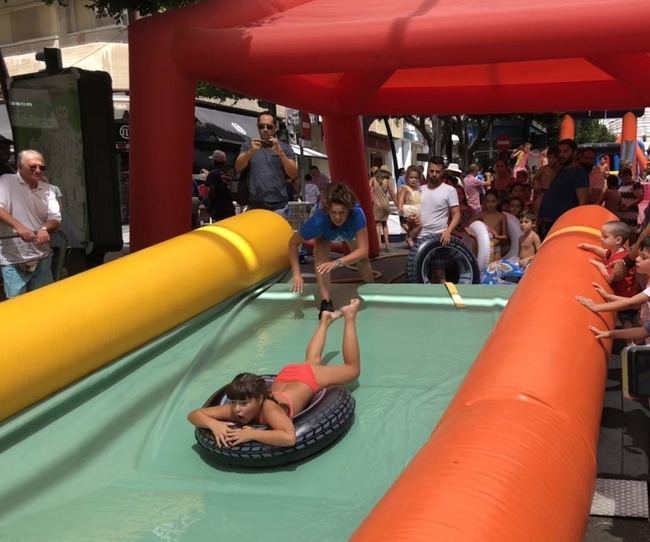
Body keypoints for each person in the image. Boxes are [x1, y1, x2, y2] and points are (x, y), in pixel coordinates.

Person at [187, 298, 361, 448]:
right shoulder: (236, 409)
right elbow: (194, 414)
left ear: (260, 399)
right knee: (311, 361)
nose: (238, 409)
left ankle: (350, 316)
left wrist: (253, 435)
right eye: (235, 402)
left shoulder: (270, 410)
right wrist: (214, 425)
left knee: (352, 370)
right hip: (287, 376)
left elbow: (289, 437)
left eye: (244, 403)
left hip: (307, 378)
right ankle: (324, 320)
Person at [288, 183, 373, 317]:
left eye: (341, 213)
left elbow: (363, 250)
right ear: (328, 211)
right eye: (334, 213)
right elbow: (292, 243)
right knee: (320, 257)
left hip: (348, 232)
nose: (338, 217)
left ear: (348, 211)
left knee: (362, 259)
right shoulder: (318, 221)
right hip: (325, 234)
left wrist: (336, 263)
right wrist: (297, 274)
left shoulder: (357, 214)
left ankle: (372, 288)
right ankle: (326, 301)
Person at [0, 150, 61, 298]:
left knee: (44, 301)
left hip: (42, 256)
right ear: (19, 167)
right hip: (13, 259)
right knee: (17, 304)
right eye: (32, 167)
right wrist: (19, 227)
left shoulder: (48, 189)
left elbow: (55, 218)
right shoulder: (7, 181)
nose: (38, 170)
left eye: (42, 167)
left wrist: (44, 228)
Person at [577, 220, 641, 329]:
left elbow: (610, 278)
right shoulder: (617, 250)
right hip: (630, 295)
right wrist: (589, 247)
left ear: (618, 240)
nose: (601, 239)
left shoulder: (619, 260)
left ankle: (632, 342)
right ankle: (638, 340)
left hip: (624, 297)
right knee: (633, 318)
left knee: (625, 319)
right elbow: (604, 253)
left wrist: (599, 265)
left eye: (605, 237)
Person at [234, 110, 298, 216]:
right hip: (255, 203)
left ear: (275, 127)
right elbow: (238, 167)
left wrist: (280, 153)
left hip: (279, 204)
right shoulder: (249, 145)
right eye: (261, 126)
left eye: (269, 127)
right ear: (257, 126)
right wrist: (251, 152)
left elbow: (293, 174)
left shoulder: (285, 148)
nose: (265, 130)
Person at [538, 139, 589, 240]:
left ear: (574, 153)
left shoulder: (579, 173)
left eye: (565, 151)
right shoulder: (560, 170)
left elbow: (582, 202)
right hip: (546, 223)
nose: (561, 155)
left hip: (561, 226)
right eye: (560, 151)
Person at [412, 156, 460, 244]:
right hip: (419, 238)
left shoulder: (450, 190)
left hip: (439, 239)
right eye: (431, 171)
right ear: (427, 171)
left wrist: (448, 231)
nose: (434, 174)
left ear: (442, 173)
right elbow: (413, 212)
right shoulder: (419, 190)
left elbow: (456, 214)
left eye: (437, 172)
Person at [471, 189, 509, 262]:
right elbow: (469, 224)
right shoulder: (482, 214)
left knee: (495, 268)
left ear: (498, 202)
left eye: (493, 201)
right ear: (485, 202)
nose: (490, 204)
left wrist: (497, 236)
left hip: (495, 245)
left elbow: (505, 236)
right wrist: (471, 233)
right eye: (488, 202)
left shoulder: (502, 216)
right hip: (482, 245)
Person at [204, 150, 236, 222]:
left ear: (214, 161)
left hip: (218, 209)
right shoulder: (229, 173)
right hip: (230, 208)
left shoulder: (213, 174)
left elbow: (211, 191)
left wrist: (209, 207)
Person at [397, 165, 423, 247]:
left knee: (412, 227)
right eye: (411, 177)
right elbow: (401, 199)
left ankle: (409, 238)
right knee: (419, 225)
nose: (413, 180)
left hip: (417, 209)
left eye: (416, 178)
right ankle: (410, 238)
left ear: (419, 178)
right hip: (409, 210)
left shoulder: (419, 189)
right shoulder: (405, 188)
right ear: (407, 178)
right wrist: (400, 209)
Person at [370, 170, 396, 251]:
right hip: (386, 204)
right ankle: (387, 243)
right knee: (385, 224)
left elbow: (367, 188)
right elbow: (392, 193)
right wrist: (398, 204)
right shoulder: (387, 180)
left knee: (377, 224)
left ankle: (379, 244)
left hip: (376, 204)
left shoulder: (373, 179)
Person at [532, 145, 560, 210]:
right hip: (543, 192)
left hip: (555, 194)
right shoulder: (543, 168)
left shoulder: (559, 169)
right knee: (538, 208)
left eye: (554, 158)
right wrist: (536, 183)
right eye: (549, 157)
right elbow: (535, 178)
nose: (551, 160)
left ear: (558, 158)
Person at [617, 167, 642, 235]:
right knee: (622, 231)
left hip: (631, 212)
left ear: (628, 175)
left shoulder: (635, 184)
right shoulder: (621, 185)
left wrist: (628, 206)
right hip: (621, 212)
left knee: (631, 231)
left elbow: (640, 198)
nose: (621, 179)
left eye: (622, 177)